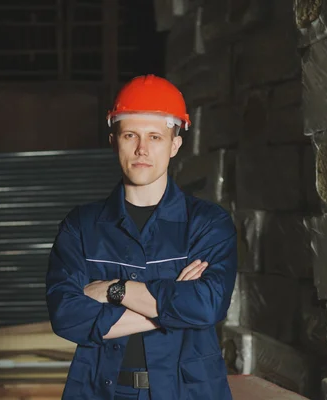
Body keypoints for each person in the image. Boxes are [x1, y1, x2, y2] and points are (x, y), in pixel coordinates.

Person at [46, 74, 237, 400]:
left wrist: (112, 290)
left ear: (175, 144)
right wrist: (172, 307)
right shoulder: (81, 226)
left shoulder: (207, 224)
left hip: (187, 392)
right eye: (130, 135)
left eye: (155, 137)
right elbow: (66, 315)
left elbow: (207, 305)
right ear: (113, 140)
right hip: (100, 391)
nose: (141, 149)